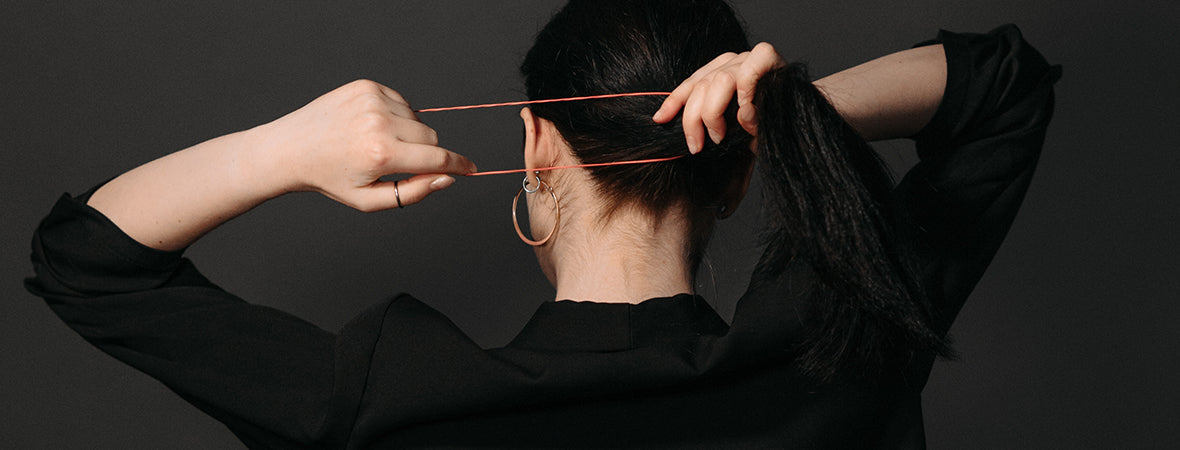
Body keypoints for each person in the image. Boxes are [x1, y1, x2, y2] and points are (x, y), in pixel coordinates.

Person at [25, 0, 1059, 448]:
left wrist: (284, 150)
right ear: (739, 177)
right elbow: (1001, 89)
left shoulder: (387, 400)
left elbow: (89, 262)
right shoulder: (842, 346)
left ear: (536, 146)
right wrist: (782, 108)